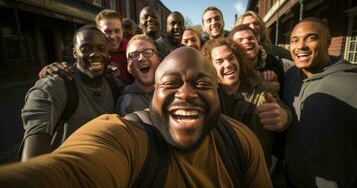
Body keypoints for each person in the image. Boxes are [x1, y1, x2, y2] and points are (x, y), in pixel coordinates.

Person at [0, 47, 273, 187]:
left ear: (219, 95)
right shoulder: (123, 136)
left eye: (203, 85)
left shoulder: (240, 140)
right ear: (153, 93)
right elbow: (72, 171)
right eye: (170, 84)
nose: (187, 93)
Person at [20, 25, 124, 161]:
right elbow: (32, 165)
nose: (95, 54)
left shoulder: (117, 86)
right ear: (75, 53)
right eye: (85, 49)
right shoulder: (53, 87)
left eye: (101, 48)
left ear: (108, 53)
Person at [283, 17, 357, 188]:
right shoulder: (290, 76)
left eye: (311, 38)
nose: (301, 46)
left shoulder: (351, 83)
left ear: (328, 42)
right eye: (295, 40)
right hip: (292, 178)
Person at [201, 38, 291, 167]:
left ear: (238, 59)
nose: (228, 64)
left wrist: (283, 117)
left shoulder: (260, 88)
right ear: (210, 66)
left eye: (231, 58)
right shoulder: (206, 94)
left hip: (258, 170)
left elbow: (285, 113)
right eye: (219, 61)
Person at [38, 9, 133, 85]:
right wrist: (49, 71)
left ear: (122, 30)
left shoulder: (132, 48)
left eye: (117, 31)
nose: (113, 36)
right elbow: (77, 70)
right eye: (107, 31)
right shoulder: (90, 54)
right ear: (98, 32)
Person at [229, 25, 285, 94]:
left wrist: (278, 85)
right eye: (240, 40)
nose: (247, 41)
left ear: (257, 41)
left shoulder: (273, 62)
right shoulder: (230, 70)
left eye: (250, 38)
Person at [115, 34, 161, 116]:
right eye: (134, 55)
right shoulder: (126, 103)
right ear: (129, 67)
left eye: (148, 52)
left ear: (158, 59)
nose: (141, 58)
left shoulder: (174, 92)